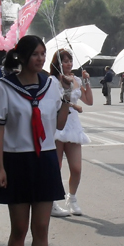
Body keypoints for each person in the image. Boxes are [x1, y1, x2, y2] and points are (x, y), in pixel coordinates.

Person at [0, 35, 72, 246]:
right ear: (21, 57)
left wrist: (67, 97)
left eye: (43, 54)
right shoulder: (4, 87)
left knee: (42, 228)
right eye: (35, 54)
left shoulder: (52, 85)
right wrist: (0, 167)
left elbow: (57, 124)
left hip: (45, 160)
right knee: (19, 229)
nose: (40, 58)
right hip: (16, 161)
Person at [49, 49, 93, 218]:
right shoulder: (53, 80)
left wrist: (87, 82)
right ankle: (52, 200)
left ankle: (72, 198)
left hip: (73, 125)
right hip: (58, 124)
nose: (68, 63)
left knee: (76, 167)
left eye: (70, 60)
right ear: (57, 63)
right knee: (56, 166)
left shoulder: (75, 79)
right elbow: (54, 101)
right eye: (64, 61)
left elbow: (89, 101)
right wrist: (74, 105)